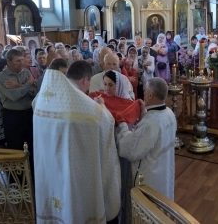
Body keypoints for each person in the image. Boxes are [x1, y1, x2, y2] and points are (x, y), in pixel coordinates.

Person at [33, 61, 121, 223]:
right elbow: (106, 121)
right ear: (85, 80)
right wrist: (101, 107)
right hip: (73, 170)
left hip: (49, 167)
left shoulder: (44, 98)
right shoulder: (81, 102)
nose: (87, 90)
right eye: (88, 85)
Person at [116, 77, 176, 220]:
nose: (143, 94)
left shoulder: (150, 122)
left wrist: (123, 126)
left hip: (149, 177)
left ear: (149, 95)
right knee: (161, 208)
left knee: (147, 213)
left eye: (145, 91)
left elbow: (129, 149)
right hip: (164, 171)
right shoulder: (169, 113)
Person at [0, 49, 37, 157]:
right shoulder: (2, 76)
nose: (21, 63)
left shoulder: (26, 72)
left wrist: (18, 85)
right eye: (18, 61)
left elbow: (35, 93)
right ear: (9, 61)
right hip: (13, 116)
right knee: (15, 147)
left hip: (29, 113)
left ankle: (32, 172)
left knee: (32, 144)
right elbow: (14, 96)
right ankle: (17, 174)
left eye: (22, 60)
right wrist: (28, 84)